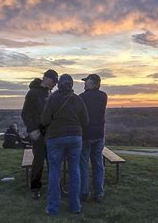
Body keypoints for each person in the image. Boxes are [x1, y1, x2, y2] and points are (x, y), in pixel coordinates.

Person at [41, 74, 89, 216]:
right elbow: (85, 121)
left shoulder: (52, 99)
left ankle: (53, 208)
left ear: (59, 84)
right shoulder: (78, 99)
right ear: (71, 85)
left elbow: (44, 120)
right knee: (75, 171)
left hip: (55, 137)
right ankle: (75, 206)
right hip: (75, 137)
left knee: (54, 171)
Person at [21, 69, 58, 200]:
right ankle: (35, 188)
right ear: (47, 78)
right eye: (54, 81)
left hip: (51, 132)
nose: (55, 84)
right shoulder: (33, 93)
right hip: (38, 133)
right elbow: (25, 114)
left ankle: (54, 186)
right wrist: (32, 130)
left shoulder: (50, 93)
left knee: (52, 160)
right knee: (38, 161)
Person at [79, 74, 108, 203]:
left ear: (93, 83)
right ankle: (99, 193)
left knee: (84, 164)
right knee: (98, 164)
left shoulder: (82, 97)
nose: (84, 84)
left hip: (85, 134)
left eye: (86, 82)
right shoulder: (103, 96)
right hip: (99, 134)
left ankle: (84, 192)